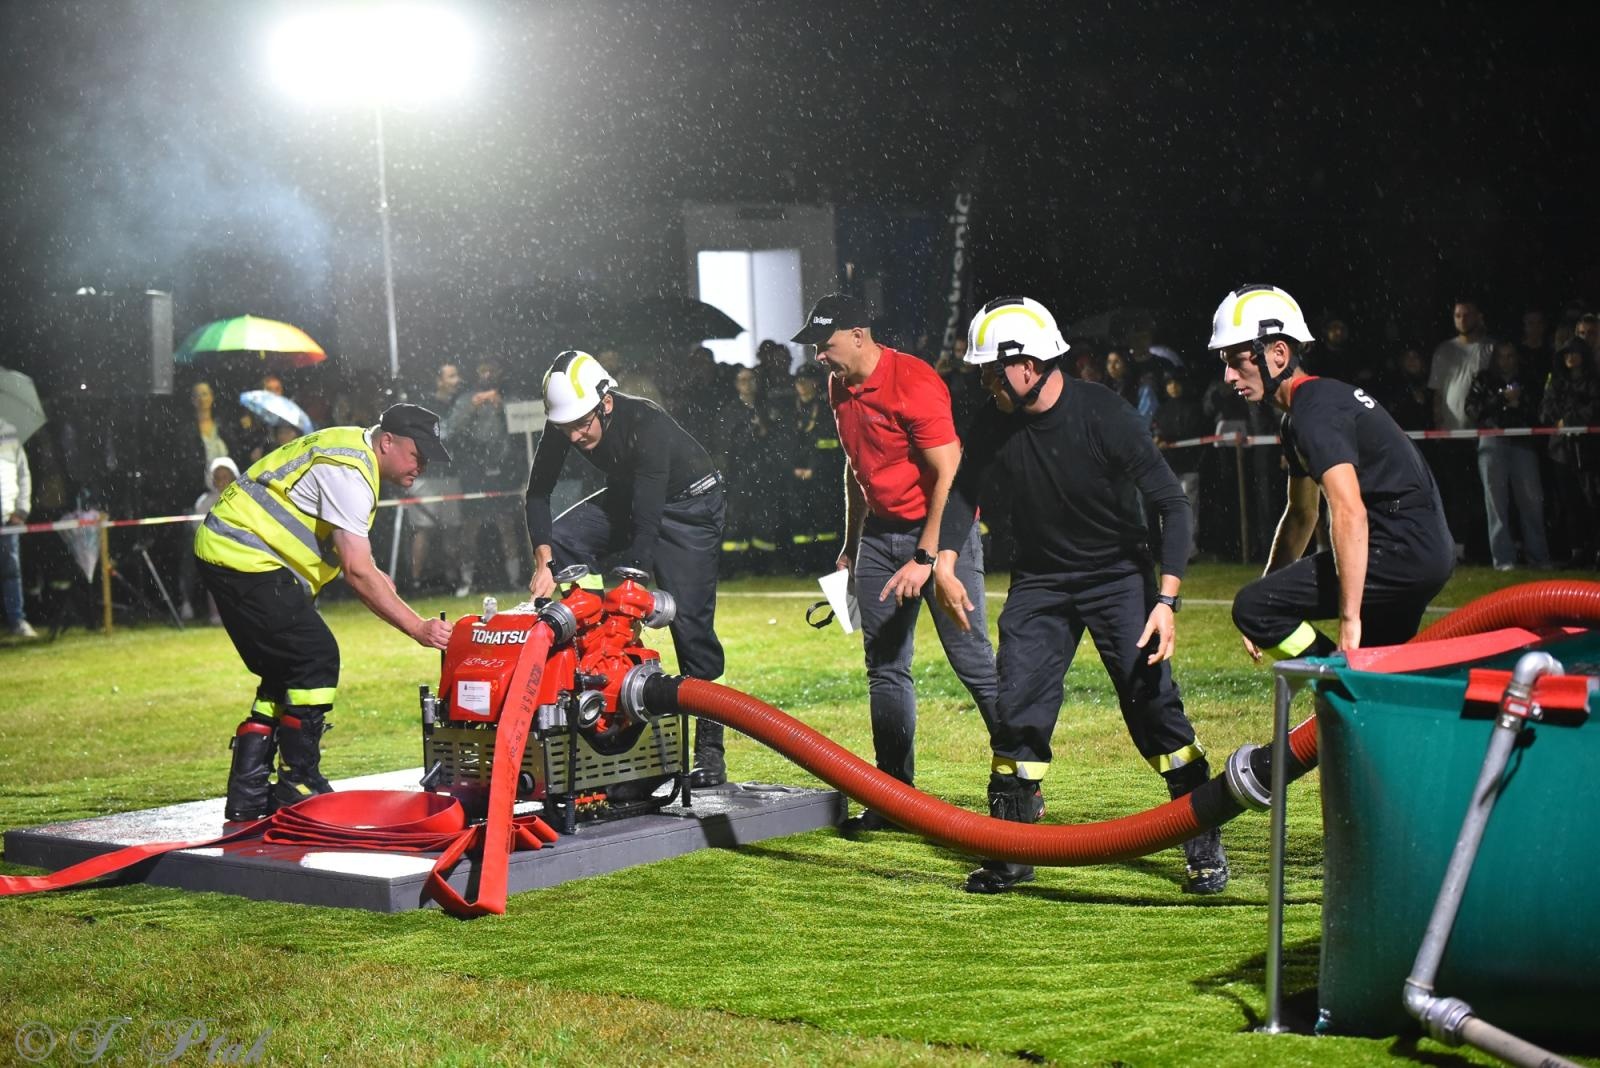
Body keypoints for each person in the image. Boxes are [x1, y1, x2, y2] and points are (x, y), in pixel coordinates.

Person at [933, 295, 1223, 895]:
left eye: (991, 369)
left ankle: (1203, 839)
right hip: (1040, 584)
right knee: (1017, 710)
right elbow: (965, 492)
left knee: (1153, 709)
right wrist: (944, 560)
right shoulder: (993, 420)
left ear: (1026, 365)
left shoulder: (1106, 414)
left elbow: (1171, 504)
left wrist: (1165, 603)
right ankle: (1010, 851)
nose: (985, 381)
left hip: (1119, 578)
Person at [791, 293, 998, 833]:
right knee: (884, 668)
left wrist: (929, 557)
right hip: (880, 537)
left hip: (940, 534)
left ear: (859, 336)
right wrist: (851, 544)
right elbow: (854, 469)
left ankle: (1019, 781)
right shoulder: (839, 385)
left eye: (825, 344)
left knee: (973, 660)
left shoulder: (915, 381)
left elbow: (950, 478)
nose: (819, 357)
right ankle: (893, 796)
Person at [194, 404, 454, 821]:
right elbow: (356, 571)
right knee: (315, 657)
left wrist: (371, 572)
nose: (420, 465)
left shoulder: (350, 447)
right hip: (246, 557)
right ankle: (298, 784)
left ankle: (248, 792)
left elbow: (339, 543)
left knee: (286, 671)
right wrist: (418, 628)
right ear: (387, 441)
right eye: (416, 454)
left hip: (231, 551)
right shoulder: (351, 472)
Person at [1212, 284, 1454, 663]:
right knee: (1378, 677)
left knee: (1252, 608)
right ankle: (1359, 688)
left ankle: (1339, 680)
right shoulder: (1304, 413)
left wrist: (1349, 617)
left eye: (1237, 360)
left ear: (1278, 353)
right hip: (1415, 548)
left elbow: (1348, 511)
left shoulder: (1314, 412)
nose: (1228, 376)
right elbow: (1301, 515)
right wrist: (1270, 586)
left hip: (1397, 549)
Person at [525, 350, 730, 787]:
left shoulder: (648, 424)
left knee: (691, 627)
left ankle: (710, 752)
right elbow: (537, 493)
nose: (577, 436)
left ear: (607, 403)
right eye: (568, 427)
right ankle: (597, 644)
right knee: (564, 538)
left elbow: (648, 516)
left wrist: (634, 581)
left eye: (583, 423)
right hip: (633, 494)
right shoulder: (568, 422)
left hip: (689, 505)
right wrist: (544, 557)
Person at [1465, 341, 1549, 570]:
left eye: (1511, 356)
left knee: (1532, 501)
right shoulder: (1484, 379)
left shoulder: (1528, 379)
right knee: (1496, 503)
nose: (1506, 361)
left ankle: (1539, 557)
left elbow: (1540, 411)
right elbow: (1472, 410)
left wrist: (1520, 403)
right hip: (1492, 442)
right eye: (1502, 356)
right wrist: (1501, 400)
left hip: (1523, 441)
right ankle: (1503, 560)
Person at [448, 359, 527, 595]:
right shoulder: (464, 400)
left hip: (503, 470)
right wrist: (471, 407)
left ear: (500, 373)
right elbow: (452, 428)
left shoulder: (510, 398)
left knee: (507, 526)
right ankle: (466, 582)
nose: (487, 374)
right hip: (474, 470)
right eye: (483, 370)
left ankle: (515, 580)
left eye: (492, 369)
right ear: (476, 373)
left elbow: (522, 425)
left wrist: (502, 406)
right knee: (469, 527)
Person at [407, 361, 466, 594]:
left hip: (451, 475)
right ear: (439, 380)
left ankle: (453, 580)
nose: (457, 380)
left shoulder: (459, 403)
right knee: (424, 530)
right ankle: (416, 581)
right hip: (426, 477)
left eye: (457, 375)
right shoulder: (425, 404)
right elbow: (443, 433)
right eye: (451, 376)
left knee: (452, 529)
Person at [1, 415, 37, 638]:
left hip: (8, 516)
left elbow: (24, 474)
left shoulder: (10, 433)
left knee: (12, 571)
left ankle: (17, 620)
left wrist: (22, 509)